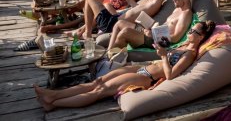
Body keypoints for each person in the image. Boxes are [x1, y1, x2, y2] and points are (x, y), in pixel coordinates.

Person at [34, 20, 217, 111]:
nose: (190, 31)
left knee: (100, 90)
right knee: (98, 82)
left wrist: (163, 56)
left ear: (201, 36)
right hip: (143, 66)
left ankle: (55, 103)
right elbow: (165, 53)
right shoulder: (184, 46)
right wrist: (160, 45)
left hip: (147, 76)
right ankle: (53, 94)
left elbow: (170, 75)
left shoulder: (190, 54)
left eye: (193, 30)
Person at [109, 0, 194, 50]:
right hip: (152, 33)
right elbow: (166, 27)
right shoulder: (177, 9)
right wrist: (151, 26)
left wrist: (153, 34)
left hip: (157, 41)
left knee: (126, 32)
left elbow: (176, 37)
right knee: (120, 23)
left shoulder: (185, 14)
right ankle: (109, 51)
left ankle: (110, 58)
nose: (173, 0)